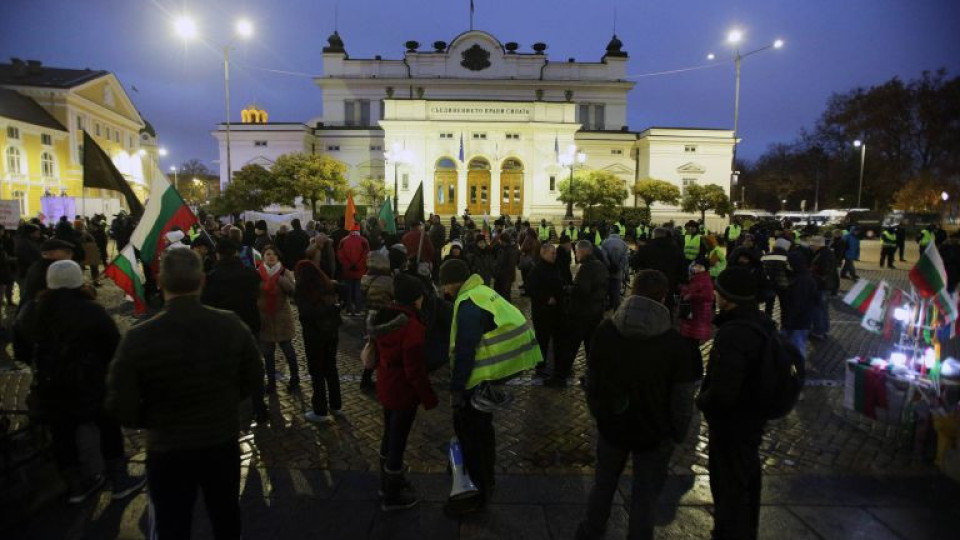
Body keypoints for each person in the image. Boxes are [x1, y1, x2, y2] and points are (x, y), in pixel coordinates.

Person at [106, 249, 263, 540]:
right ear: (202, 280)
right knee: (225, 517)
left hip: (167, 447)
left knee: (172, 523)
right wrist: (227, 403)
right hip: (220, 441)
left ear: (160, 280)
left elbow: (120, 402)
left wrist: (152, 418)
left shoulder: (139, 337)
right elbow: (253, 377)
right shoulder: (229, 325)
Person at [577, 270, 697, 540]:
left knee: (603, 486)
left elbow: (592, 379)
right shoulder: (674, 343)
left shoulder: (606, 331)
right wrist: (677, 432)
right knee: (646, 496)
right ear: (664, 297)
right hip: (655, 432)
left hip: (613, 424)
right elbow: (682, 398)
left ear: (633, 291)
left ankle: (590, 532)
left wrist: (600, 413)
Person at [22, 260, 145, 504]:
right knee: (108, 428)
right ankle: (119, 480)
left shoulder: (33, 311)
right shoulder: (91, 311)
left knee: (62, 435)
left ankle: (76, 485)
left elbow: (22, 348)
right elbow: (113, 345)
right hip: (92, 382)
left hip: (52, 385)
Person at [440, 259, 541, 514]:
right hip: (490, 375)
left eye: (445, 285)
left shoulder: (468, 303)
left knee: (474, 438)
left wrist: (457, 389)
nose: (444, 291)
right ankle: (488, 481)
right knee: (483, 433)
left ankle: (478, 493)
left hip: (477, 379)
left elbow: (465, 350)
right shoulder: (482, 292)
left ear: (453, 282)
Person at [696, 267, 775, 540]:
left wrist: (703, 401)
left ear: (728, 298)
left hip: (733, 425)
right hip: (753, 419)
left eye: (719, 291)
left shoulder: (734, 334)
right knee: (746, 483)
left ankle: (730, 533)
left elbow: (723, 390)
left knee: (730, 488)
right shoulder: (762, 323)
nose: (715, 295)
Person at [369, 273, 438, 510]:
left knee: (389, 436)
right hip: (403, 391)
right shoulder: (411, 327)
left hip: (386, 384)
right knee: (398, 443)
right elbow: (414, 370)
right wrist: (428, 397)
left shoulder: (383, 315)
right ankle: (392, 495)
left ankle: (384, 483)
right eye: (419, 296)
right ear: (413, 299)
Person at [548, 241, 608, 387]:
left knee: (569, 347)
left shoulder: (586, 268)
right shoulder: (600, 265)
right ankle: (592, 378)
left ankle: (560, 378)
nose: (575, 254)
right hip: (595, 313)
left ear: (583, 251)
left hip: (581, 314)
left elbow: (582, 291)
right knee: (591, 348)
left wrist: (568, 289)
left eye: (577, 251)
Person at [294, 260, 344, 423]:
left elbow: (306, 313)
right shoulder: (328, 285)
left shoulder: (302, 289)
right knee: (331, 368)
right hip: (331, 333)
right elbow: (345, 289)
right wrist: (336, 307)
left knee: (317, 372)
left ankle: (320, 410)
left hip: (314, 335)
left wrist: (330, 309)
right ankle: (336, 405)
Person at [257, 245, 299, 393]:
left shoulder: (284, 272)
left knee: (288, 351)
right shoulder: (257, 274)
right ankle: (272, 383)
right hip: (265, 319)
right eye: (268, 254)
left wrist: (280, 280)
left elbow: (293, 291)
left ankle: (295, 379)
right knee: (268, 355)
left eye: (274, 254)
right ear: (263, 256)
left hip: (282, 318)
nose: (271, 256)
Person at [526, 244, 565, 376]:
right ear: (543, 254)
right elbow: (530, 289)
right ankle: (541, 366)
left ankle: (558, 365)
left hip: (556, 311)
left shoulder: (555, 267)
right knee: (542, 340)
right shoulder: (537, 270)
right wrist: (546, 298)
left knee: (558, 339)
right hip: (542, 312)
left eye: (555, 253)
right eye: (552, 253)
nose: (555, 255)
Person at [360, 251, 395, 392]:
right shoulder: (386, 280)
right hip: (382, 317)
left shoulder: (367, 277)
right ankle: (372, 381)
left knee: (374, 347)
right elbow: (394, 294)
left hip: (370, 316)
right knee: (381, 350)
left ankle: (366, 380)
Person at [634, 227, 686, 309]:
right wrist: (681, 281)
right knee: (667, 305)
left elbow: (636, 263)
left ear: (654, 235)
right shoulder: (676, 249)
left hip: (649, 283)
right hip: (669, 283)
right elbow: (682, 267)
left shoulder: (646, 248)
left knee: (648, 306)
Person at [780, 251, 818, 361]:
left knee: (796, 348)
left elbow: (797, 304)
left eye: (788, 263)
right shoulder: (802, 276)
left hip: (798, 322)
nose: (787, 265)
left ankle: (797, 371)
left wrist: (788, 322)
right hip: (799, 320)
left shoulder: (802, 281)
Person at [678, 261, 714, 370]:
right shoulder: (697, 277)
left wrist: (690, 295)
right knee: (690, 344)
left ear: (703, 267)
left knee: (692, 345)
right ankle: (692, 367)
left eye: (697, 265)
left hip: (698, 315)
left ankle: (694, 368)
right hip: (693, 315)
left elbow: (708, 296)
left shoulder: (704, 279)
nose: (694, 267)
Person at [338, 224, 370, 316]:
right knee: (358, 290)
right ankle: (358, 310)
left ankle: (349, 309)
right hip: (360, 271)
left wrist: (348, 265)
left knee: (348, 290)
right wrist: (358, 265)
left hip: (347, 271)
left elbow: (340, 255)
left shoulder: (343, 241)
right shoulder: (364, 241)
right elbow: (366, 255)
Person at [809, 235, 837, 340]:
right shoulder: (826, 253)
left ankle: (818, 331)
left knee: (818, 309)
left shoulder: (822, 255)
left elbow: (823, 271)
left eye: (812, 245)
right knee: (823, 309)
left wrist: (812, 272)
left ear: (817, 245)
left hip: (821, 286)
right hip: (825, 285)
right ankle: (824, 329)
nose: (811, 247)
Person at [600, 227, 629, 310]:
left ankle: (608, 305)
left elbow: (604, 257)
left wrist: (609, 266)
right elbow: (625, 259)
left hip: (607, 271)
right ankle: (616, 311)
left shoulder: (605, 242)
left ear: (610, 232)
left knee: (607, 290)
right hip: (618, 272)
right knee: (616, 291)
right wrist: (621, 269)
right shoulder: (624, 244)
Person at [493, 231, 520, 302]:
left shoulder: (510, 250)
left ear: (503, 241)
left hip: (505, 277)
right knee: (500, 293)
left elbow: (511, 265)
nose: (499, 241)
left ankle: (505, 308)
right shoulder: (503, 248)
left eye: (500, 240)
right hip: (502, 276)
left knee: (505, 295)